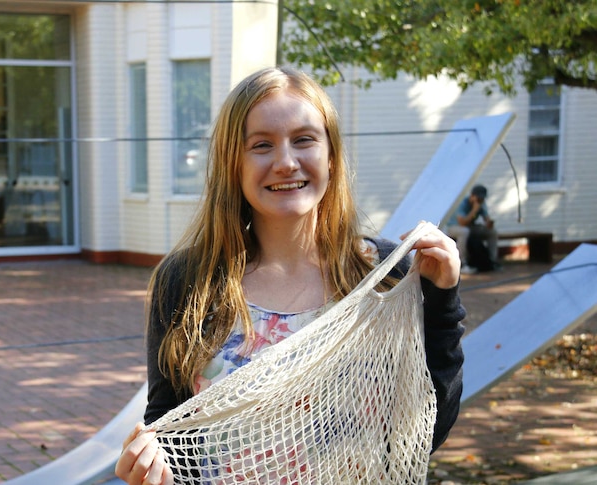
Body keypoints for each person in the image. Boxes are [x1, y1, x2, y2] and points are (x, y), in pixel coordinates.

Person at [115, 66, 465, 485]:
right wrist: (149, 468)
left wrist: (443, 299)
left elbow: (424, 430)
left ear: (331, 157)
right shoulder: (189, 281)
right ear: (233, 164)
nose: (285, 162)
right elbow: (167, 427)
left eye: (304, 140)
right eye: (261, 145)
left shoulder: (384, 276)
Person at [446, 184, 499, 274]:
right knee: (465, 232)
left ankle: (491, 261)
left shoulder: (482, 204)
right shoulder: (462, 203)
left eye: (482, 199)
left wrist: (489, 223)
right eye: (478, 198)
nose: (480, 201)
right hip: (455, 227)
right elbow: (462, 222)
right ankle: (462, 263)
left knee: (492, 232)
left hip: (470, 226)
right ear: (472, 196)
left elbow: (487, 220)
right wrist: (474, 210)